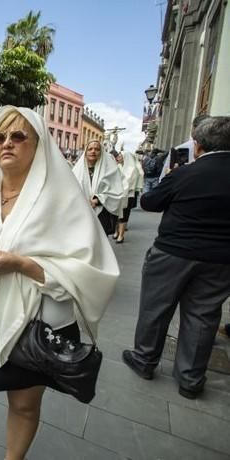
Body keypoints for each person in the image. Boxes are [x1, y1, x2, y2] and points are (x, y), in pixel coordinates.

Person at [0, 106, 119, 460]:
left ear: (38, 144)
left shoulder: (61, 197)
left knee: (23, 405)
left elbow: (89, 270)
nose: (7, 143)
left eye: (18, 136)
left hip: (36, 325)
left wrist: (22, 265)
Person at [122, 116, 230, 400]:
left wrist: (171, 176)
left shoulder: (184, 174)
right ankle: (190, 379)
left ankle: (145, 360)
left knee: (155, 308)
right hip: (221, 259)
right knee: (203, 316)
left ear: (198, 146)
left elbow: (148, 202)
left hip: (173, 253)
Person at [72, 141, 124, 236]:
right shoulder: (77, 171)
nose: (93, 151)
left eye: (97, 149)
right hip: (81, 212)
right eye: (90, 149)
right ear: (86, 152)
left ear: (101, 152)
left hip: (102, 213)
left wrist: (98, 199)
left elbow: (117, 192)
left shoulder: (110, 170)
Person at [114, 150, 143, 243]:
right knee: (117, 214)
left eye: (120, 155)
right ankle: (117, 231)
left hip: (128, 195)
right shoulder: (118, 166)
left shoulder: (132, 169)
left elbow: (127, 183)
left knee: (124, 215)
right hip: (118, 194)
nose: (118, 157)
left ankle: (121, 235)